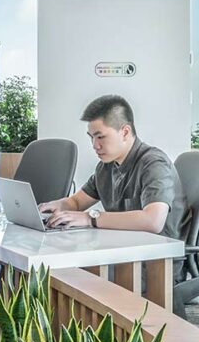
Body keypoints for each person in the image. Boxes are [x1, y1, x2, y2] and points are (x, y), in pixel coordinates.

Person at [38, 95, 184, 241]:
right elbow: (76, 202)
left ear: (125, 132)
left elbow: (153, 221)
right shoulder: (105, 167)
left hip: (157, 257)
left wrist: (90, 218)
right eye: (91, 137)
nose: (95, 145)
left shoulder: (154, 163)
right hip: (122, 248)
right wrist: (55, 206)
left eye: (100, 137)